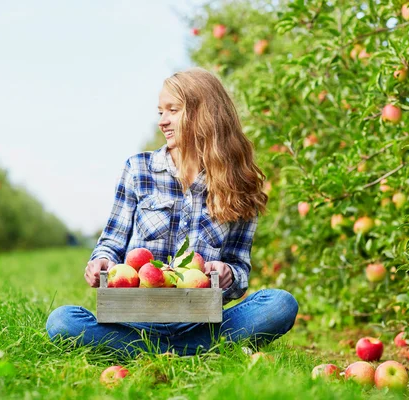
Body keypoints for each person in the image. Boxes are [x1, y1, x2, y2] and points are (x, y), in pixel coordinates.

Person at [46, 67, 298, 357]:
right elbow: (112, 242)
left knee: (281, 304)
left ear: (203, 114)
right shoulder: (138, 169)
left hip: (201, 321)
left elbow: (239, 267)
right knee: (62, 322)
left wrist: (227, 273)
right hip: (134, 321)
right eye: (160, 112)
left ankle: (148, 351)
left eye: (172, 111)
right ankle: (198, 352)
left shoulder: (238, 184)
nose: (162, 122)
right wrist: (101, 262)